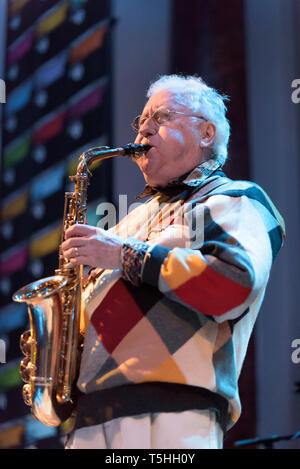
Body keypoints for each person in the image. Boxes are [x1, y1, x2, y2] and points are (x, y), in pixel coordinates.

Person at [61, 74, 285, 449]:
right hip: (90, 420)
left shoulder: (237, 198)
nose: (144, 128)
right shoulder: (126, 221)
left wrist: (120, 254)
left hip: (171, 415)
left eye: (161, 117)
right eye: (140, 121)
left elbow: (233, 284)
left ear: (207, 134)